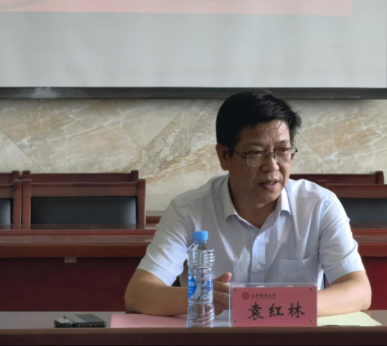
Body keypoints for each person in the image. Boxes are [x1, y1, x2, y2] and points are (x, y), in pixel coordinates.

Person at [125, 89, 371, 317]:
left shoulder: (319, 205)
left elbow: (359, 291)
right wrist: (202, 296)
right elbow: (138, 294)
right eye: (256, 153)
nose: (272, 166)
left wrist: (280, 304)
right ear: (224, 156)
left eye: (282, 151)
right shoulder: (188, 210)